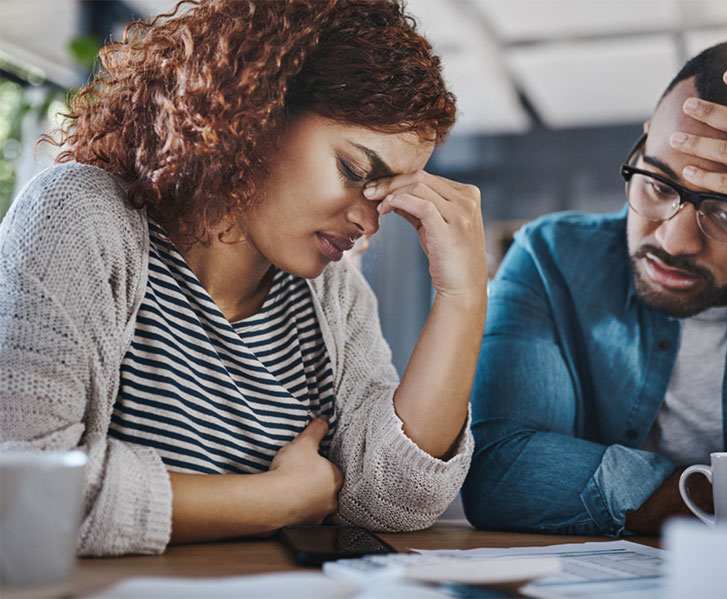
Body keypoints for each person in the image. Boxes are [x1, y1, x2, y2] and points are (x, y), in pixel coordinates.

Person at [0, 0, 487, 556]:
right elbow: (24, 490)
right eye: (354, 171)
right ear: (254, 115)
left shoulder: (335, 297)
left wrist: (463, 296)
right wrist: (277, 500)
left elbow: (391, 500)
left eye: (386, 194)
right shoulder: (80, 218)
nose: (368, 220)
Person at [462, 39, 727, 536]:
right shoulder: (552, 258)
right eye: (658, 183)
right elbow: (499, 474)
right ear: (645, 143)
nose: (674, 240)